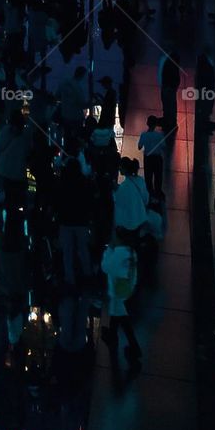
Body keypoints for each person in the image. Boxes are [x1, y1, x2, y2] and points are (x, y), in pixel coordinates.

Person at [101, 229, 142, 365]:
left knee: (122, 320)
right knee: (119, 318)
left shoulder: (118, 253)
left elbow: (106, 267)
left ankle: (133, 348)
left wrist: (108, 252)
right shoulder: (131, 252)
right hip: (126, 291)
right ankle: (113, 337)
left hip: (118, 294)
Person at [55, 156, 93, 287]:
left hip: (65, 221)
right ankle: (87, 275)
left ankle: (69, 279)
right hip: (82, 221)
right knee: (83, 250)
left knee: (67, 252)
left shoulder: (61, 183)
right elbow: (89, 200)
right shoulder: (85, 182)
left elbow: (57, 202)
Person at [113, 156, 149, 242]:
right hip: (140, 218)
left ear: (125, 169)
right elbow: (146, 198)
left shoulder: (123, 187)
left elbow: (118, 204)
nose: (119, 169)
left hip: (128, 223)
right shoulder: (140, 181)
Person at [138, 116, 164, 197]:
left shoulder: (144, 135)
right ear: (156, 124)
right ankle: (158, 192)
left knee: (148, 177)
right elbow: (164, 146)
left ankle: (149, 193)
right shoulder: (160, 135)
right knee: (158, 176)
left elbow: (139, 147)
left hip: (148, 158)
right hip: (157, 158)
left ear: (147, 123)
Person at [158, 51, 181, 135]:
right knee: (170, 106)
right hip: (170, 88)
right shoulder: (174, 67)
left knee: (167, 106)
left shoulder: (168, 65)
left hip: (168, 88)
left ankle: (168, 122)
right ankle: (170, 122)